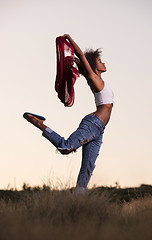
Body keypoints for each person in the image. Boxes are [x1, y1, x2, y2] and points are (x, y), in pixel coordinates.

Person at [23, 34, 114, 193]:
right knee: (66, 147)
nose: (103, 62)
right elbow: (81, 56)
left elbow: (81, 62)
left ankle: (78, 202)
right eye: (99, 61)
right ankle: (39, 123)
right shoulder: (94, 78)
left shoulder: (96, 78)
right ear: (93, 66)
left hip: (99, 129)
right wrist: (70, 40)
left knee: (88, 168)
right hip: (93, 124)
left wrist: (79, 63)